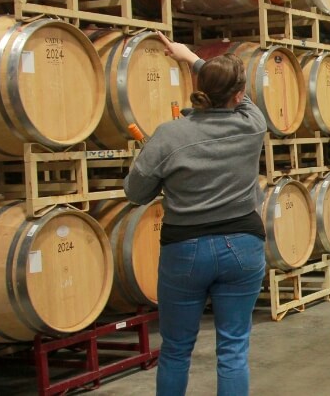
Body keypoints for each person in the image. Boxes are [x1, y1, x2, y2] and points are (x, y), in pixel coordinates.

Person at [124, 34, 267, 396]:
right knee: (233, 349)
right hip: (243, 245)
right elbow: (238, 94)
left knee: (175, 350)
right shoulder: (253, 125)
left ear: (199, 88)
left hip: (184, 249)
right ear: (238, 95)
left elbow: (135, 192)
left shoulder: (169, 135)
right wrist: (195, 59)